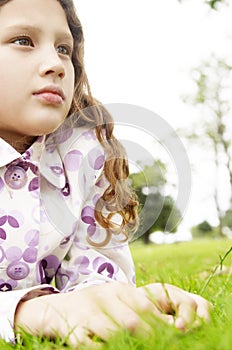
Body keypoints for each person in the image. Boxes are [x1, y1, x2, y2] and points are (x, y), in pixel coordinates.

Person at [0, 0, 211, 347]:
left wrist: (115, 299)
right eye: (23, 40)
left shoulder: (84, 158)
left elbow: (94, 269)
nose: (55, 64)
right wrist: (29, 313)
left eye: (64, 49)